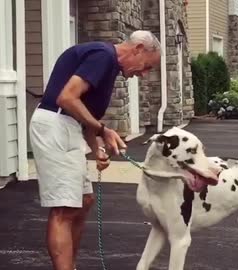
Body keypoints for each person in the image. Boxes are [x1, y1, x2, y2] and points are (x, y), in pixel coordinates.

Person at [28, 30, 162, 270]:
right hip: (55, 124)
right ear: (138, 49)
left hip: (67, 126)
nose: (143, 74)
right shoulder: (103, 55)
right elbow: (67, 98)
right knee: (64, 208)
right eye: (147, 67)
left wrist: (96, 148)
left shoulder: (108, 66)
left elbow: (84, 112)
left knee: (84, 200)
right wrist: (103, 131)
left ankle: (69, 264)